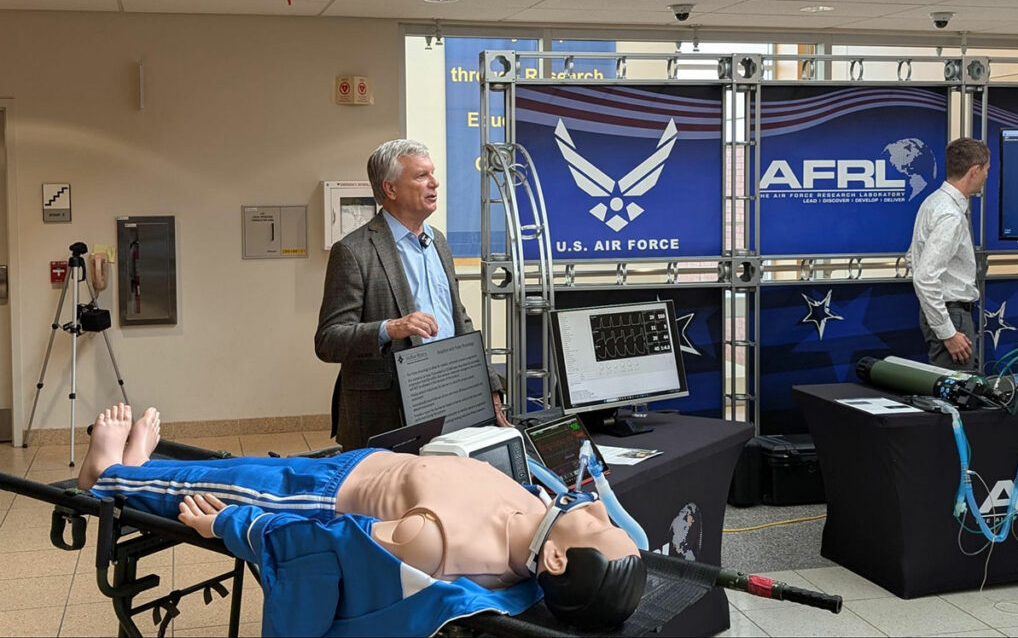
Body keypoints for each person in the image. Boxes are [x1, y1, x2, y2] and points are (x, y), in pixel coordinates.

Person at [78, 404, 646, 634]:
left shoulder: (440, 543)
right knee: (230, 468)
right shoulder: (540, 512)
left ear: (555, 559)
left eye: (598, 527)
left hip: (319, 497)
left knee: (218, 484)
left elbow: (324, 547)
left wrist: (232, 526)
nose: (598, 509)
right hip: (355, 464)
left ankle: (108, 476)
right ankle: (141, 471)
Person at [316, 139, 506, 450]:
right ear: (390, 189)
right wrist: (390, 328)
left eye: (432, 173)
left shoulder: (438, 241)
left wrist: (489, 384)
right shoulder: (353, 251)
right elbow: (328, 340)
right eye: (421, 175)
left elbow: (459, 318)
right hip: (385, 416)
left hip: (451, 401)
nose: (435, 182)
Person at [907, 137, 990, 370]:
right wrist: (948, 333)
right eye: (986, 169)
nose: (987, 175)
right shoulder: (950, 215)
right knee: (957, 389)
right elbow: (924, 277)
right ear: (974, 170)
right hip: (951, 316)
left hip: (945, 313)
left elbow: (912, 257)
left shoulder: (933, 202)